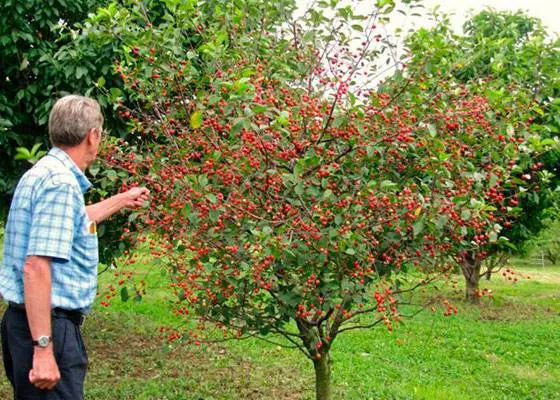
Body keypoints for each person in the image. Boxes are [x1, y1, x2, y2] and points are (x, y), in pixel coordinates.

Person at [0, 95, 149, 399]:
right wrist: (43, 348)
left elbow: (74, 220)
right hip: (47, 328)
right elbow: (37, 266)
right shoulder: (60, 184)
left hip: (22, 323)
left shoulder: (42, 174)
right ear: (93, 135)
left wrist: (122, 199)